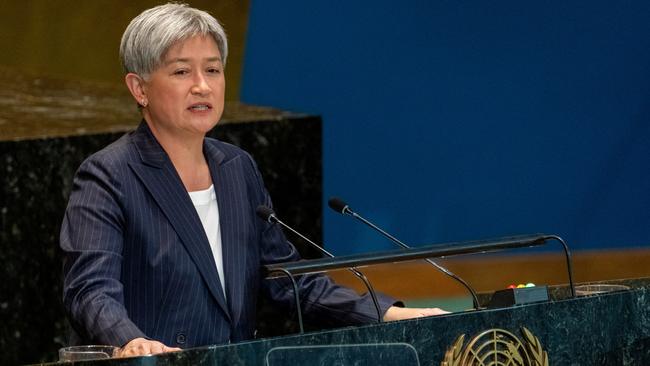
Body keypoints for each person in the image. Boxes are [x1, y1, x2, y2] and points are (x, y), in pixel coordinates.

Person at [60, 3, 447, 358]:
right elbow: (90, 288)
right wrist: (132, 340)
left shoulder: (236, 168)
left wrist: (395, 314)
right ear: (139, 88)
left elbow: (291, 283)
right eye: (181, 71)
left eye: (212, 69)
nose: (202, 85)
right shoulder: (109, 174)